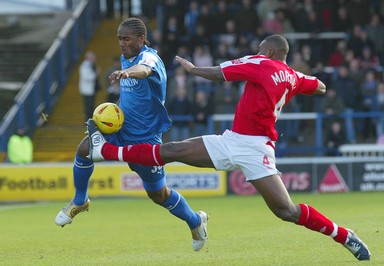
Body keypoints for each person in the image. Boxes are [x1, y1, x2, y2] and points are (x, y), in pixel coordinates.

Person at [86, 34, 371, 260]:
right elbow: (319, 86)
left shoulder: (261, 62)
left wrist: (193, 68)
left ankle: (345, 235)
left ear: (269, 52)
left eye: (261, 49)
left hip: (252, 148)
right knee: (171, 151)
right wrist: (292, 79)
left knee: (285, 210)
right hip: (235, 141)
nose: (258, 52)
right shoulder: (293, 76)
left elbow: (221, 73)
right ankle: (105, 151)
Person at [55, 17, 208, 252]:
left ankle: (196, 222)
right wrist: (108, 115)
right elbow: (129, 98)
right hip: (121, 131)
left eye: (126, 39)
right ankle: (80, 201)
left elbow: (144, 70)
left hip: (146, 139)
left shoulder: (149, 59)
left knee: (159, 194)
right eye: (119, 39)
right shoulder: (126, 59)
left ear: (141, 38)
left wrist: (126, 74)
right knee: (85, 148)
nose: (121, 43)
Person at [79, 51, 101, 122]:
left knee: (90, 107)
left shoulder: (90, 65)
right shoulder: (85, 65)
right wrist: (96, 74)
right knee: (89, 108)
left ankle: (89, 121)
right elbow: (86, 77)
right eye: (93, 57)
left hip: (90, 90)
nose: (95, 59)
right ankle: (88, 122)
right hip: (87, 90)